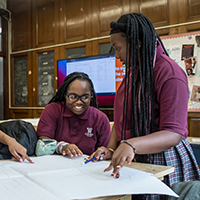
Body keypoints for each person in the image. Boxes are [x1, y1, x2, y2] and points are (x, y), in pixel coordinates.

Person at [88, 13, 200, 199]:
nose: (116, 55)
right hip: (137, 153)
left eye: (118, 48)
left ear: (137, 43)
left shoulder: (169, 73)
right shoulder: (134, 72)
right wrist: (111, 149)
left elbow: (173, 132)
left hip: (162, 158)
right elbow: (122, 118)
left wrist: (131, 144)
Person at [36, 72, 111, 157]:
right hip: (54, 166)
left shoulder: (100, 118)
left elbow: (105, 150)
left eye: (85, 97)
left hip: (86, 167)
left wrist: (103, 153)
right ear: (65, 95)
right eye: (73, 96)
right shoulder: (53, 110)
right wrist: (62, 146)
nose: (79, 102)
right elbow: (43, 142)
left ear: (91, 96)